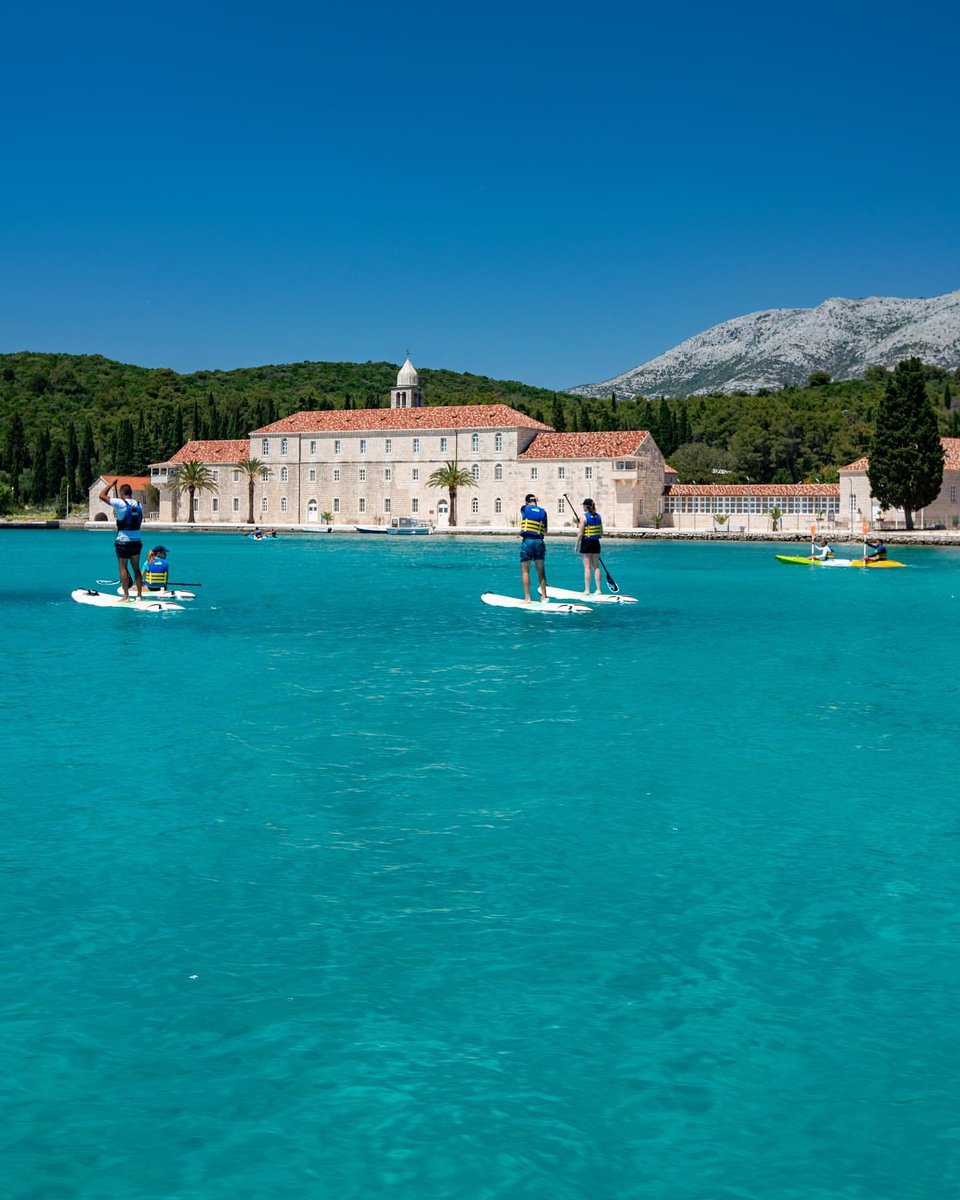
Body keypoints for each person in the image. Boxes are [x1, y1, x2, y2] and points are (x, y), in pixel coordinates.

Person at [98, 480, 144, 601]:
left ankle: (126, 596)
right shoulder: (139, 505)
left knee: (123, 568)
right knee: (136, 568)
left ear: (122, 493)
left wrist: (111, 485)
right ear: (131, 493)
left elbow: (101, 495)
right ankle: (139, 595)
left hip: (123, 541)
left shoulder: (120, 503)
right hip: (136, 542)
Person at [519, 492, 549, 602]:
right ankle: (544, 597)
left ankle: (527, 598)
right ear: (536, 501)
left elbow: (525, 509)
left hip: (528, 542)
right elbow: (545, 531)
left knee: (525, 571)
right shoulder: (543, 512)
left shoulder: (524, 509)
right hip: (539, 542)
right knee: (541, 571)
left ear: (527, 502)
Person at [577, 498, 604, 593]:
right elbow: (601, 532)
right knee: (596, 567)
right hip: (596, 543)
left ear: (585, 506)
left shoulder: (583, 517)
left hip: (586, 544)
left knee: (587, 567)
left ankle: (587, 590)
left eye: (583, 506)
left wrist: (576, 546)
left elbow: (580, 534)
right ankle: (599, 589)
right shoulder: (599, 516)